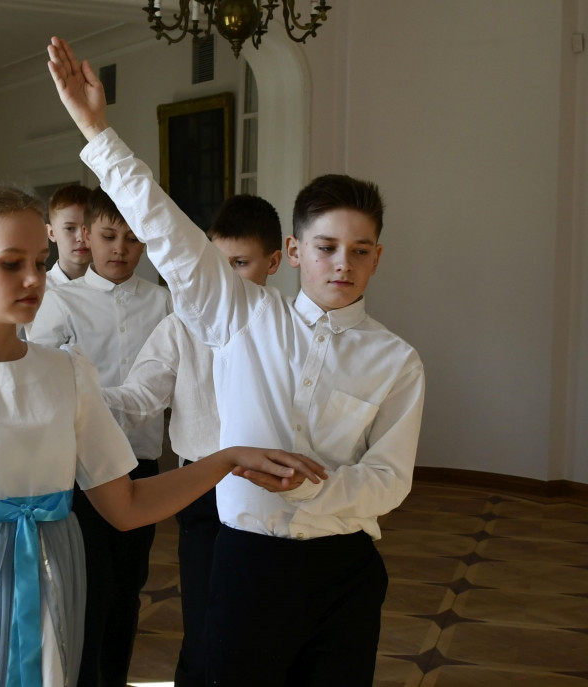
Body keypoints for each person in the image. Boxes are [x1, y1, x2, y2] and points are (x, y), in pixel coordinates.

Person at [48, 36, 426, 686]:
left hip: (348, 571)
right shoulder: (245, 314)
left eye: (360, 250)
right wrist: (97, 131)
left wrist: (317, 488)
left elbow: (390, 477)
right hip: (250, 559)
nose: (343, 262)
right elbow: (170, 234)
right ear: (295, 250)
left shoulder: (397, 359)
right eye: (328, 245)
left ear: (377, 257)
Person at [0, 183, 326, 687]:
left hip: (54, 587)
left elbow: (127, 505)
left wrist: (226, 459)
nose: (35, 278)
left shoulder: (67, 372)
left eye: (40, 260)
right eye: (12, 264)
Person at [101, 193, 283, 687]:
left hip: (272, 493)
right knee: (203, 619)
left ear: (275, 260)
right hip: (199, 491)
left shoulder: (286, 329)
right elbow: (138, 397)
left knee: (264, 621)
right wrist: (74, 399)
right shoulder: (179, 327)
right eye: (218, 265)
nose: (226, 280)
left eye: (240, 265)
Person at [26, 186, 172, 687]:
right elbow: (44, 385)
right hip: (79, 468)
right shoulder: (57, 301)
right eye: (110, 236)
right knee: (89, 588)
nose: (120, 249)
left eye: (133, 240)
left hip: (140, 463)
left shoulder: (163, 302)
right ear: (86, 236)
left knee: (129, 587)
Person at [45, 184, 92, 288]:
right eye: (70, 228)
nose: (81, 238)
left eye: (88, 227)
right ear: (51, 233)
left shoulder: (117, 288)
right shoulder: (38, 292)